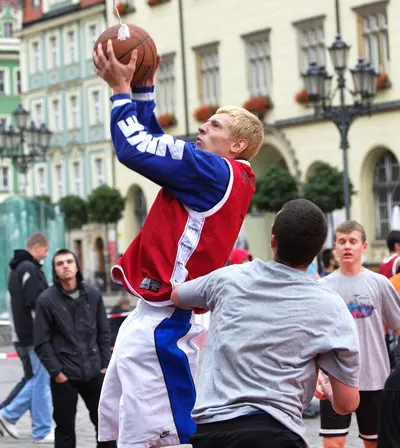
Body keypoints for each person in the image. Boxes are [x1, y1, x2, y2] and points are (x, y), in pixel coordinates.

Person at [93, 41, 264, 447]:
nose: (202, 127)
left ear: (237, 146)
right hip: (156, 315)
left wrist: (120, 90)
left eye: (216, 126)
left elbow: (134, 148)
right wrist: (143, 93)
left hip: (166, 320)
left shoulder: (213, 171)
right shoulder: (221, 173)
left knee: (162, 435)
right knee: (114, 425)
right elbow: (154, 143)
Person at [172, 199, 361, 448]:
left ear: (273, 241)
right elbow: (347, 404)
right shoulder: (331, 307)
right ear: (318, 251)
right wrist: (327, 387)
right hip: (276, 433)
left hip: (211, 432)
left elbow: (177, 295)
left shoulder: (228, 279)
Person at [319, 220, 400, 448]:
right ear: (334, 246)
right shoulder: (323, 287)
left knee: (374, 443)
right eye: (342, 241)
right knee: (333, 442)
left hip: (375, 377)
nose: (347, 246)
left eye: (353, 241)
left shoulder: (380, 283)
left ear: (363, 247)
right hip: (334, 377)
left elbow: (398, 325)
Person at [34, 249, 116, 448]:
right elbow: (41, 342)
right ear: (55, 270)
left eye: (69, 261)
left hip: (95, 372)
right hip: (65, 376)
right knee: (65, 430)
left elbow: (104, 332)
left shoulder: (93, 294)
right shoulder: (46, 300)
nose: (65, 266)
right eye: (60, 263)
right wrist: (57, 373)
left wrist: (104, 365)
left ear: (76, 265)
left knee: (106, 428)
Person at [0, 233, 53, 443]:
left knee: (37, 379)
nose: (46, 255)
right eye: (45, 251)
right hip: (34, 335)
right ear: (37, 247)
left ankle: (39, 428)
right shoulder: (29, 269)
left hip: (25, 335)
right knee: (40, 381)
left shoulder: (18, 269)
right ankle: (10, 415)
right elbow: (37, 304)